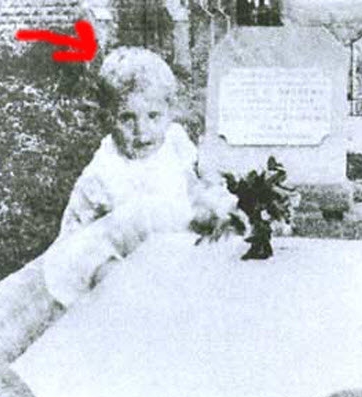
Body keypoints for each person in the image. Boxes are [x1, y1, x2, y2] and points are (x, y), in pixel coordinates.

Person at [43, 47, 239, 306]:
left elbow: (195, 182)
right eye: (127, 118)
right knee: (114, 280)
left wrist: (212, 201)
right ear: (107, 118)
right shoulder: (104, 173)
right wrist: (103, 269)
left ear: (169, 112)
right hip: (124, 262)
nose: (142, 131)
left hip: (176, 249)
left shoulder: (174, 142)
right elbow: (78, 244)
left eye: (153, 116)